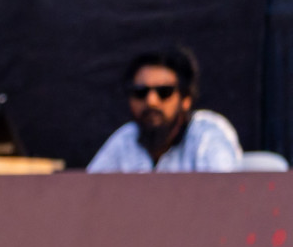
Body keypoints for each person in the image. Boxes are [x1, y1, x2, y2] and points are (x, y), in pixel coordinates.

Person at [88, 46, 243, 173]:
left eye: (164, 92)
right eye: (140, 92)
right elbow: (89, 194)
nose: (151, 101)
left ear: (186, 99)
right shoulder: (125, 139)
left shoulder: (207, 133)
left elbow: (225, 196)